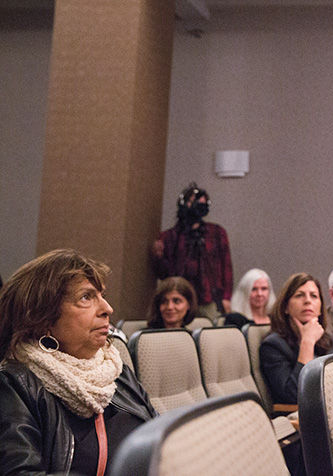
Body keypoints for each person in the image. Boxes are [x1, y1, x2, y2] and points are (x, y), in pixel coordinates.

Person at [0, 249, 156, 474]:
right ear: (42, 318)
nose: (107, 309)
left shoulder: (116, 371)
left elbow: (160, 435)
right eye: (86, 297)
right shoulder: (15, 384)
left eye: (102, 296)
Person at [151, 182, 233, 319]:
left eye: (203, 203)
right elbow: (164, 274)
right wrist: (158, 257)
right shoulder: (169, 237)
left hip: (209, 299)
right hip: (179, 299)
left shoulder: (217, 233)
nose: (199, 206)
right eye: (195, 202)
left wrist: (226, 297)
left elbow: (226, 268)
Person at [259, 273, 333, 404]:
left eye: (314, 296)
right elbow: (294, 396)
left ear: (320, 309)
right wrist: (307, 342)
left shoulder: (330, 341)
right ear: (286, 308)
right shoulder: (273, 345)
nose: (307, 301)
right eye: (299, 295)